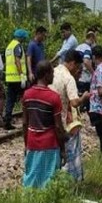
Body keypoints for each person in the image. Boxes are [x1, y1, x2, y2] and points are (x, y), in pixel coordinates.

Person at [22, 60, 67, 188]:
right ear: (46, 74)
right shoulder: (54, 97)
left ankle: (29, 202)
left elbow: (25, 123)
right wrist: (63, 150)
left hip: (32, 142)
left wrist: (26, 144)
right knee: (49, 178)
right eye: (52, 73)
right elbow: (58, 127)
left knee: (31, 176)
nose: (53, 75)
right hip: (50, 145)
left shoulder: (27, 94)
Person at [50, 50, 90, 181]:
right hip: (62, 122)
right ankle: (72, 180)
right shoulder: (68, 78)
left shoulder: (53, 72)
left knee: (55, 152)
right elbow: (74, 102)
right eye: (78, 67)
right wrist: (83, 97)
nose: (78, 71)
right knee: (69, 152)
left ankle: (54, 179)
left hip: (49, 119)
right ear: (73, 64)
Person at [3, 29, 29, 130]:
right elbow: (17, 60)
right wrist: (22, 74)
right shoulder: (17, 46)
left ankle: (7, 121)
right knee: (25, 98)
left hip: (9, 78)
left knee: (10, 100)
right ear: (21, 37)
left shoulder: (9, 46)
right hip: (18, 78)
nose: (24, 39)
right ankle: (28, 120)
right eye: (24, 37)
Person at [75, 30, 96, 95]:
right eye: (94, 39)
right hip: (85, 78)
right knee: (85, 99)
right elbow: (86, 62)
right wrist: (93, 73)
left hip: (77, 77)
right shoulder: (87, 48)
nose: (94, 42)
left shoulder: (79, 47)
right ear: (91, 38)